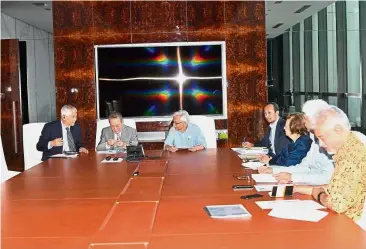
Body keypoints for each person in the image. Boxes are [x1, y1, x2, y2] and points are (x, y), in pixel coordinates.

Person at [295, 106, 366, 231]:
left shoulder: (351, 156)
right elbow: (340, 186)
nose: (321, 144)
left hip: (355, 229)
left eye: (322, 138)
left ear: (338, 129)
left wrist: (318, 194)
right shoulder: (355, 139)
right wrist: (302, 189)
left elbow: (337, 204)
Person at [258, 99, 334, 185]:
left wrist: (292, 177)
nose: (303, 120)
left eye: (305, 116)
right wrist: (273, 170)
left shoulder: (328, 142)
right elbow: (303, 167)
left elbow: (326, 177)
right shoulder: (314, 140)